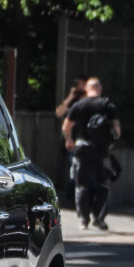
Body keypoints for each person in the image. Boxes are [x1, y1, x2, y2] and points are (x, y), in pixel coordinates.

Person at [62, 77, 121, 230]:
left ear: (86, 90)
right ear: (100, 89)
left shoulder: (79, 105)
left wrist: (69, 140)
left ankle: (83, 220)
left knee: (82, 185)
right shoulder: (107, 105)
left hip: (82, 149)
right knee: (103, 183)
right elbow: (117, 130)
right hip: (101, 150)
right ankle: (98, 217)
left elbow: (66, 127)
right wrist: (111, 144)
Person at [55, 77, 86, 208]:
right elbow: (59, 112)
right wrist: (70, 96)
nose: (79, 88)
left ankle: (83, 200)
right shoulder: (73, 102)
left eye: (81, 85)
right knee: (74, 171)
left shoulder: (89, 100)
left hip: (86, 139)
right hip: (73, 141)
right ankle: (73, 199)